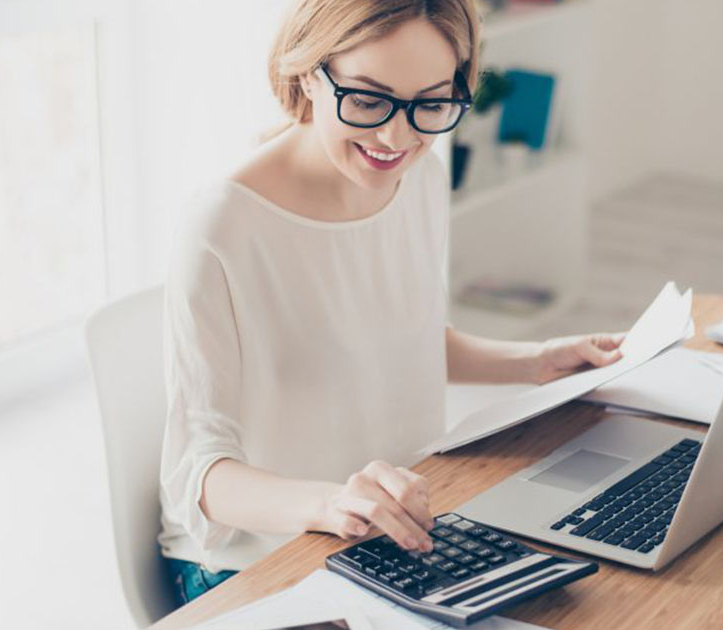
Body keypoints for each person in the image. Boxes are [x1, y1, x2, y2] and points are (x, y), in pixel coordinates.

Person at [157, 0, 625, 605]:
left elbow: (404, 339)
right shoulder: (222, 223)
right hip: (256, 564)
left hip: (402, 538)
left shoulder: (420, 175)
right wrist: (331, 503)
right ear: (306, 72)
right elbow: (200, 474)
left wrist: (536, 361)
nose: (395, 136)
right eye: (369, 99)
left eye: (431, 103)